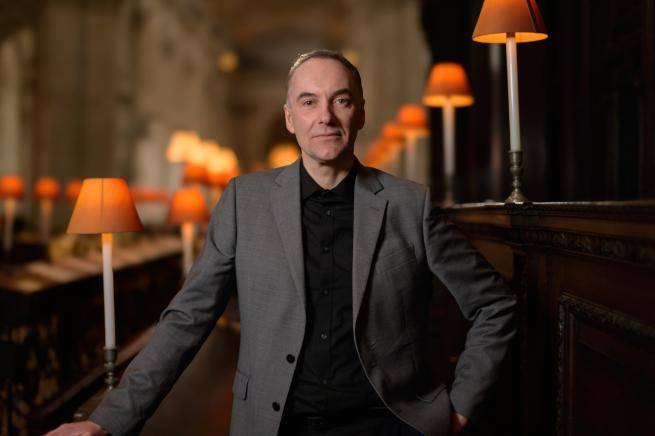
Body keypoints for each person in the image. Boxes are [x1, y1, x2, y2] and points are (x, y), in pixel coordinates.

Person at [47, 50, 516, 436]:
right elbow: (187, 318)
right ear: (290, 118)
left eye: (341, 100)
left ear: (361, 113)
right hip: (274, 426)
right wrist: (107, 421)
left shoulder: (409, 204)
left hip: (387, 425)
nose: (325, 117)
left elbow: (495, 305)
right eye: (309, 102)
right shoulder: (243, 201)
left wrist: (459, 408)